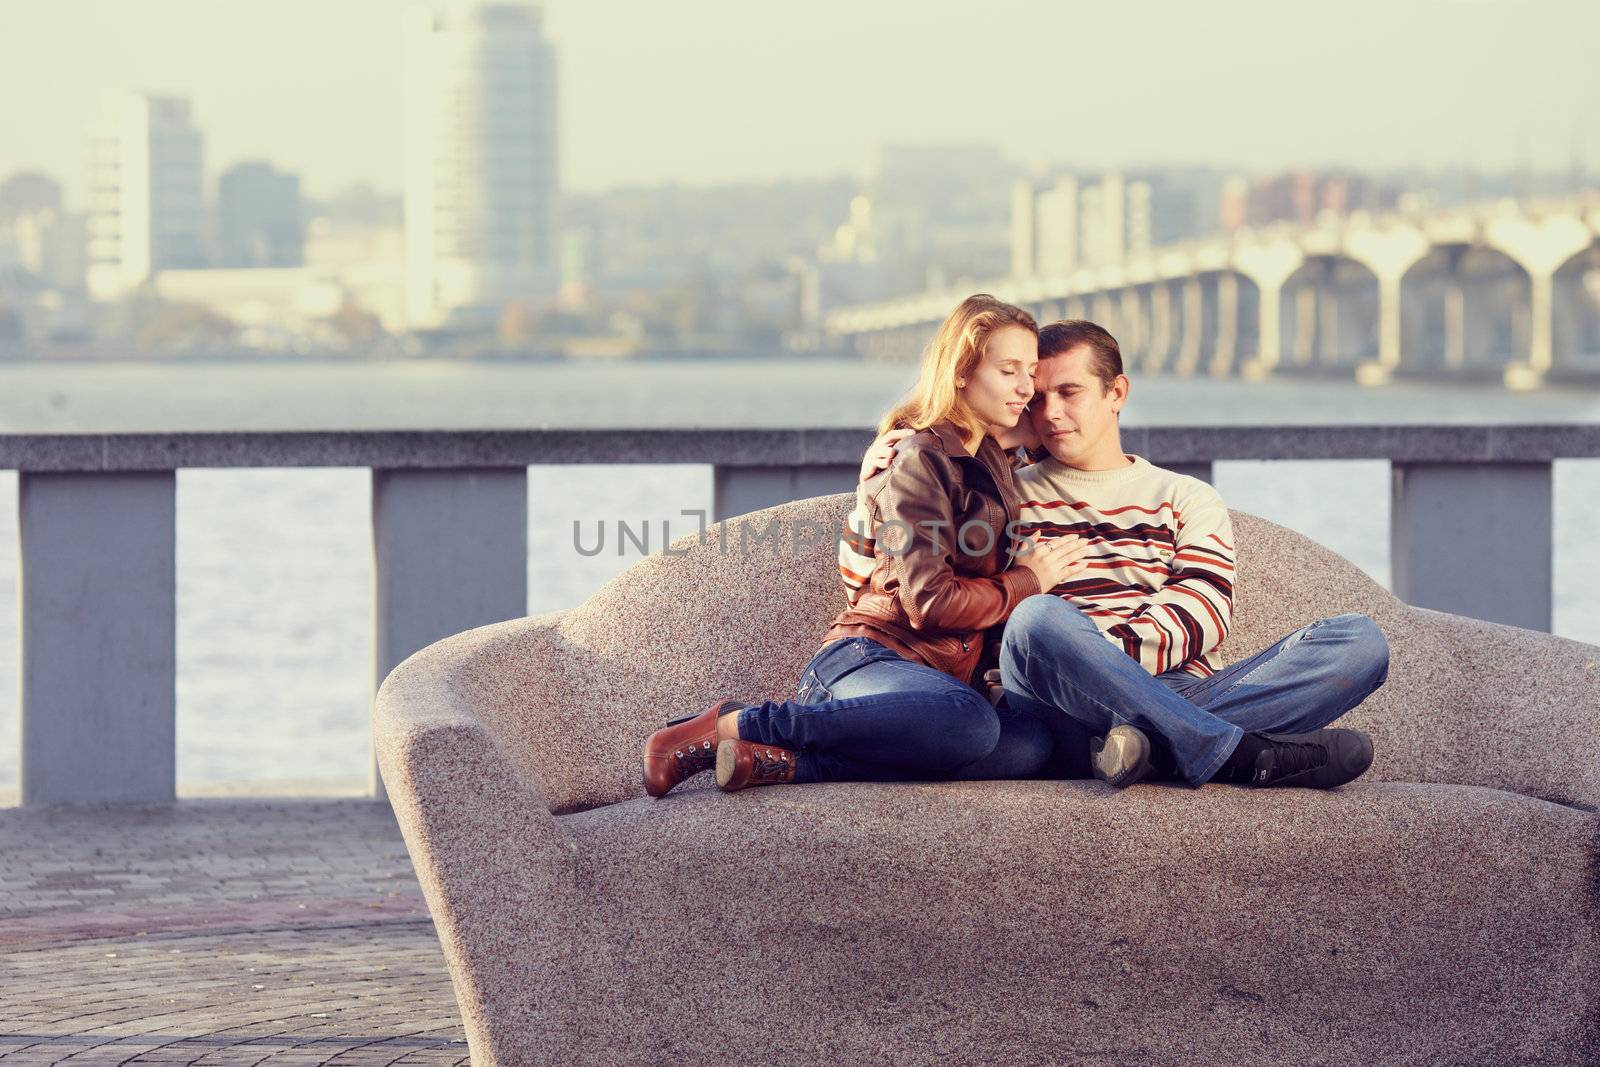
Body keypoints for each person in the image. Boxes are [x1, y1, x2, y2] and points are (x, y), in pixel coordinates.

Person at [852, 319, 1388, 790]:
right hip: (1050, 699)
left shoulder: (1185, 496)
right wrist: (873, 489)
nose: (1051, 413)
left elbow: (1204, 610)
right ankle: (1226, 750)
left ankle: (1149, 747)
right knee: (1038, 618)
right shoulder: (1000, 491)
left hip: (1176, 684)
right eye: (1038, 398)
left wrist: (1112, 671)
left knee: (1358, 642)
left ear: (1117, 392)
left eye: (1070, 392)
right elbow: (877, 580)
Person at [642, 294, 1102, 797]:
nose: (1026, 388)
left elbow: (1073, 433)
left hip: (935, 684)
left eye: (1030, 370)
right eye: (1008, 370)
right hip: (869, 660)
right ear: (963, 373)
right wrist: (1028, 580)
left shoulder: (991, 453)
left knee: (1031, 745)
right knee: (970, 723)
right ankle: (739, 725)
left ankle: (784, 764)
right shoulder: (919, 459)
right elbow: (929, 602)